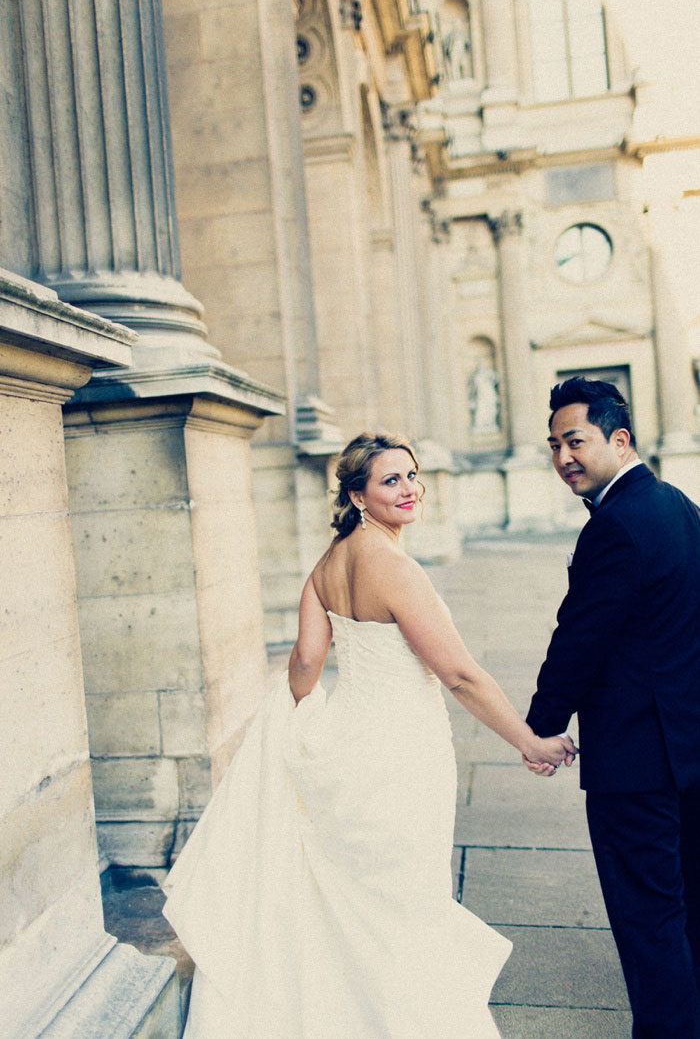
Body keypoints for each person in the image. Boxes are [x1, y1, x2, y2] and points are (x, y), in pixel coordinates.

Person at [163, 431, 574, 1039]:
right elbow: (458, 673)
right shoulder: (394, 566)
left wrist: (305, 727)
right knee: (401, 900)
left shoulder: (328, 565)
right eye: (390, 480)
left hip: (348, 740)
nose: (409, 489)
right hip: (400, 752)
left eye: (412, 476)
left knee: (355, 896)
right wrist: (529, 741)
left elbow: (304, 663)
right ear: (357, 495)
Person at [524, 376, 700, 1039]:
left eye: (575, 440)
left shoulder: (616, 525)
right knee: (686, 908)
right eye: (554, 445)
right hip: (686, 747)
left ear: (617, 439)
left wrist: (539, 725)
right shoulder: (677, 505)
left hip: (637, 761)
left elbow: (581, 637)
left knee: (647, 919)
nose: (564, 456)